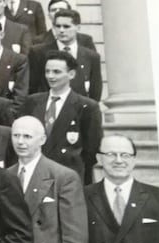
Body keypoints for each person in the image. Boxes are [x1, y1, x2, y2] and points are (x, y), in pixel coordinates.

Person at [21, 51, 102, 184]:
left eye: (56, 72)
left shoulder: (86, 106)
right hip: (35, 174)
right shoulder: (32, 102)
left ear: (71, 74)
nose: (50, 76)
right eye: (47, 71)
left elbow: (91, 149)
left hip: (68, 176)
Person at [28, 8, 102, 101]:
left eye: (66, 26)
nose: (61, 30)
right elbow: (33, 86)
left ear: (78, 27)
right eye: (57, 26)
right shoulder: (38, 53)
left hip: (80, 110)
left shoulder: (91, 56)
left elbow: (95, 90)